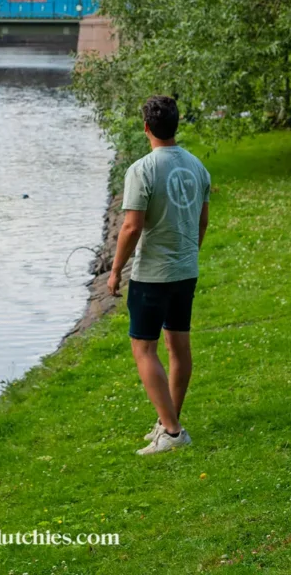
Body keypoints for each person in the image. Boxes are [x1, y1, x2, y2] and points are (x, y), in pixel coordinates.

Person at [107, 95, 210, 455]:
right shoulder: (197, 166)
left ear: (146, 127)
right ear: (176, 125)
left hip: (152, 274)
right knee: (178, 346)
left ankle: (171, 429)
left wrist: (116, 270)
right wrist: (188, 254)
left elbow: (132, 227)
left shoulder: (142, 169)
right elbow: (202, 220)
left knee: (144, 349)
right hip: (185, 270)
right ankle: (170, 422)